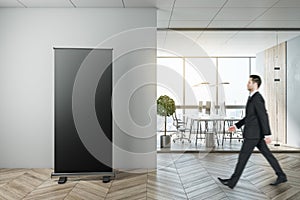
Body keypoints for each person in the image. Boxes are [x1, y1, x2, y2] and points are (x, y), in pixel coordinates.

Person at [218, 75, 287, 189]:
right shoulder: (252, 97)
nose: (247, 84)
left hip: (253, 135)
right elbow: (250, 117)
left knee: (243, 158)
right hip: (256, 134)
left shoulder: (257, 98)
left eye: (249, 82)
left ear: (255, 84)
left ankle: (232, 182)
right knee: (268, 155)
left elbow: (263, 116)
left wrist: (267, 134)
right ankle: (281, 175)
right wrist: (236, 126)